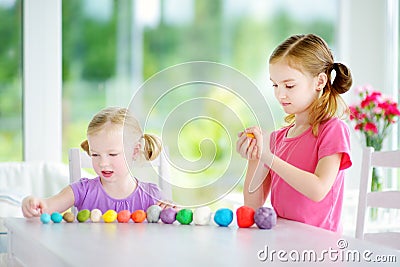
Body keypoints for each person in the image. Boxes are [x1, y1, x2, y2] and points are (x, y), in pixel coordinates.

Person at [236, 34, 352, 232]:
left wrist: (269, 157)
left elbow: (318, 189)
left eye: (289, 85)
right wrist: (255, 157)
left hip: (318, 249)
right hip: (281, 244)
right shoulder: (276, 139)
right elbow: (253, 206)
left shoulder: (333, 130)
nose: (280, 94)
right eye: (275, 85)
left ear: (319, 81)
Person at [22, 107, 171, 218]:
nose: (103, 163)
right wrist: (32, 204)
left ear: (135, 151)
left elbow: (172, 227)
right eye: (95, 154)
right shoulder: (82, 191)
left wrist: (172, 212)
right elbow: (47, 206)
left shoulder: (152, 196)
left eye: (112, 154)